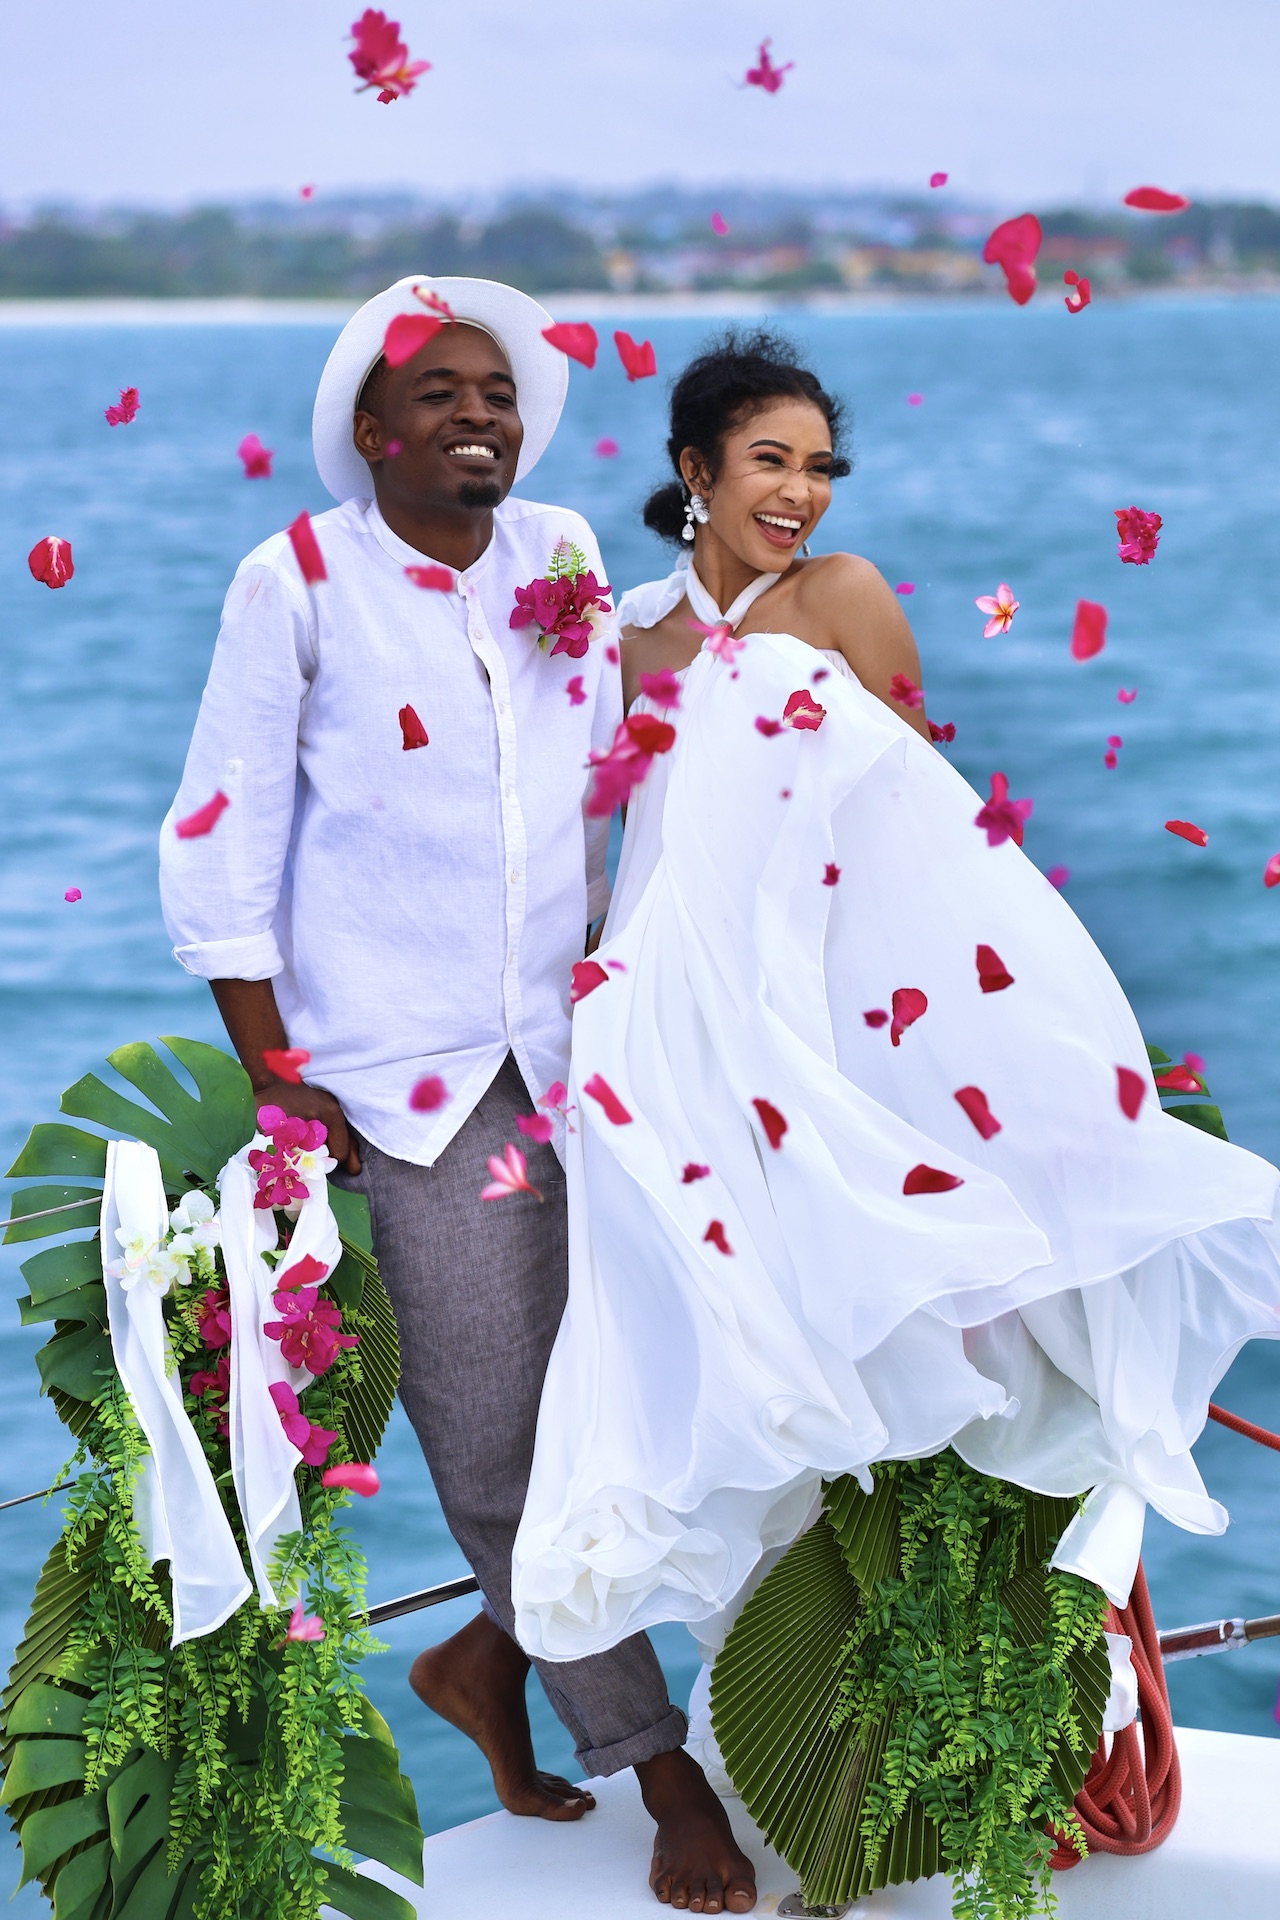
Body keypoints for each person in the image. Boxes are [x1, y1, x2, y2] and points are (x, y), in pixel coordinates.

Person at [511, 329, 1280, 1680]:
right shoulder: (619, 637)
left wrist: (993, 1019)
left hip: (829, 994)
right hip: (668, 1005)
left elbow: (927, 810)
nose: (799, 493)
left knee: (925, 1272)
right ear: (695, 469)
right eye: (768, 461)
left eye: (819, 467)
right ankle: (771, 1649)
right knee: (699, 1308)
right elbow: (581, 837)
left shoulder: (843, 595)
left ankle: (913, 1645)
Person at [159, 278, 757, 1915]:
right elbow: (219, 849)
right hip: (404, 1093)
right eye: (438, 394)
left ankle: (486, 1666)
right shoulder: (291, 584)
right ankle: (660, 1766)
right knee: (496, 1446)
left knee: (667, 1384)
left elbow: (636, 709)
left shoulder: (561, 557)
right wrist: (283, 1080)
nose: (478, 413)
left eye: (496, 390)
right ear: (372, 431)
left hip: (588, 1058)